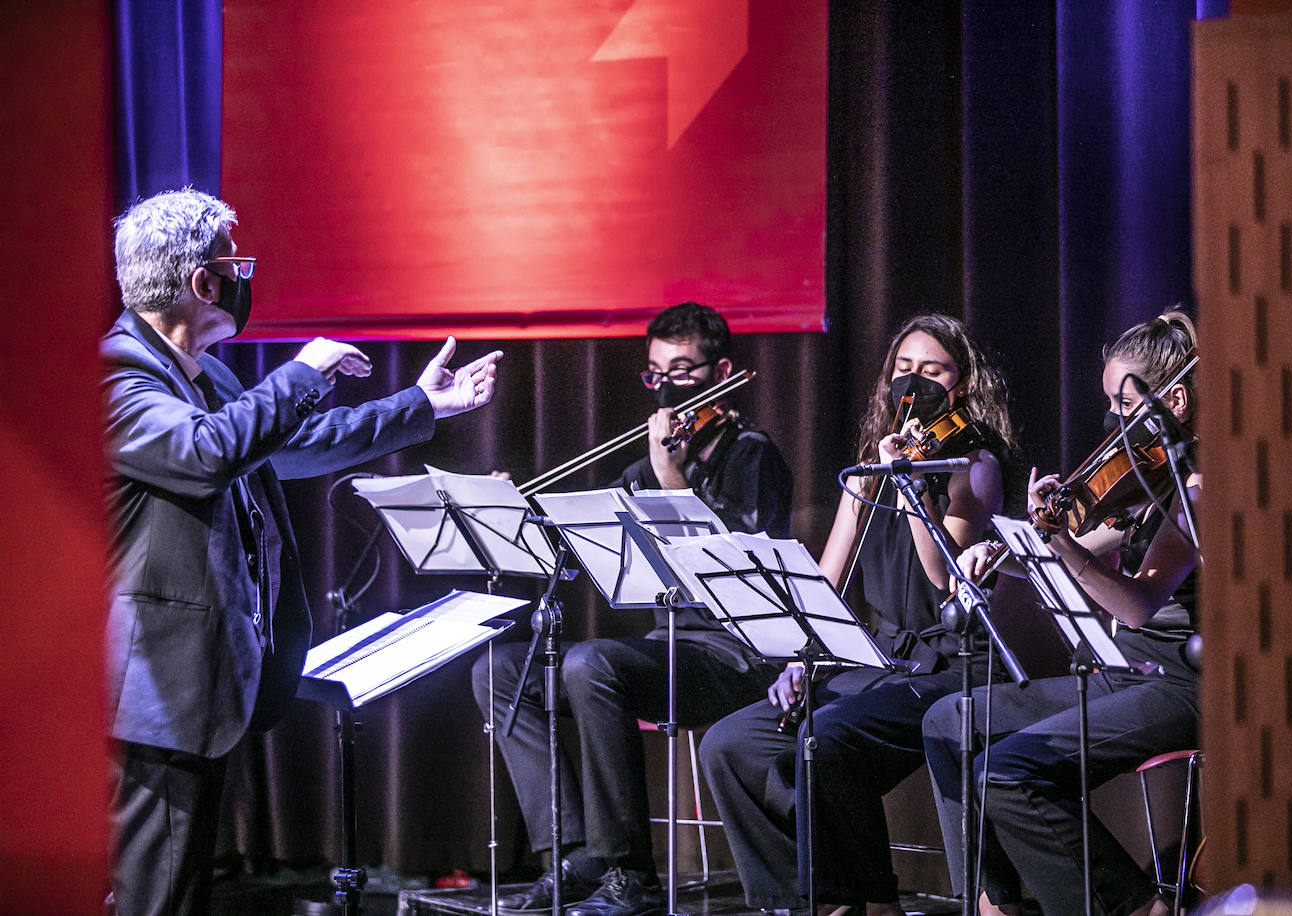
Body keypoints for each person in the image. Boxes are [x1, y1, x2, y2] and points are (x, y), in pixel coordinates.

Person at [102, 188, 503, 915]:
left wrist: (421, 407)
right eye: (237, 263)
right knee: (153, 893)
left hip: (206, 677)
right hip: (157, 684)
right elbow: (203, 453)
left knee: (180, 889)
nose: (246, 277)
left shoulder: (207, 373)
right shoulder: (119, 372)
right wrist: (303, 372)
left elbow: (291, 443)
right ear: (204, 282)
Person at [472, 302, 793, 916]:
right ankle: (579, 851)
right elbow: (578, 551)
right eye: (654, 373)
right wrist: (510, 515)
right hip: (667, 651)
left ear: (721, 370)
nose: (667, 387)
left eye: (683, 370)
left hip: (736, 661)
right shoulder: (642, 468)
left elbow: (732, 570)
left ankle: (629, 872)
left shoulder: (752, 454)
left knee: (592, 663)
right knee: (501, 671)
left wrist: (671, 479)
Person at [699, 314, 1015, 915]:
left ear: (962, 384)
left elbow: (945, 576)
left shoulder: (974, 465)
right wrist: (802, 659)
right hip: (880, 659)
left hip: (951, 666)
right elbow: (829, 579)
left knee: (828, 737)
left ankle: (874, 903)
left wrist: (913, 488)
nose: (913, 383)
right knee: (730, 744)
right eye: (902, 370)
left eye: (932, 371)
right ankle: (808, 900)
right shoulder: (871, 467)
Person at [922, 311, 1201, 916]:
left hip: (1183, 683)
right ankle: (994, 903)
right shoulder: (1140, 488)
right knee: (951, 721)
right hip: (1125, 674)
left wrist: (1066, 547)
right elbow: (1063, 551)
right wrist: (1006, 550)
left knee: (1010, 772)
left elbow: (1137, 602)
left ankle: (1132, 907)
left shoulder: (1197, 491)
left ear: (1174, 400)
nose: (1112, 427)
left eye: (1123, 405)